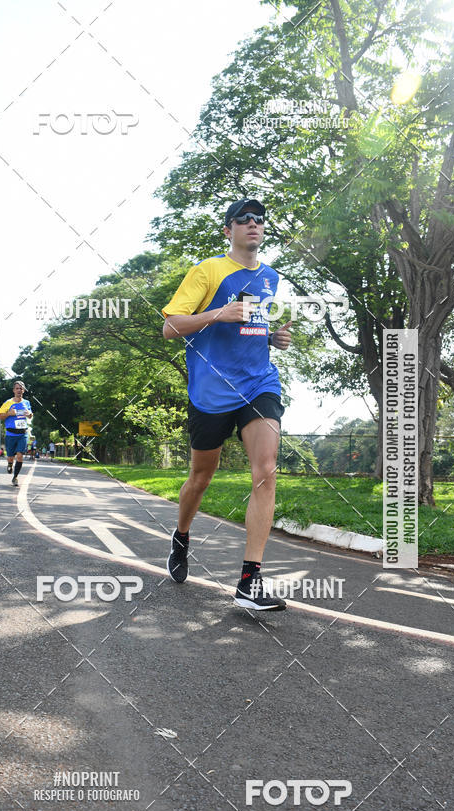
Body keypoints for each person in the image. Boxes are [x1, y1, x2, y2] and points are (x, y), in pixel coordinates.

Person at [161, 198, 293, 611]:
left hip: (259, 384)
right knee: (201, 477)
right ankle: (182, 535)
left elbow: (251, 325)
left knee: (266, 470)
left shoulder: (270, 277)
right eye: (244, 219)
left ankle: (249, 582)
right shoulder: (208, 271)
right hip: (211, 392)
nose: (253, 224)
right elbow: (169, 327)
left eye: (259, 220)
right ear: (228, 230)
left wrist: (272, 338)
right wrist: (218, 313)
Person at [0, 380, 33, 486]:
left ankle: (15, 477)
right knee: (10, 456)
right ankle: (9, 464)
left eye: (21, 388)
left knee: (20, 455)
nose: (19, 390)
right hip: (11, 434)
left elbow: (30, 415)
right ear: (13, 390)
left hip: (23, 433)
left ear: (24, 390)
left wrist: (29, 414)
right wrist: (9, 413)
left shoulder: (27, 403)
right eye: (17, 388)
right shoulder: (8, 403)